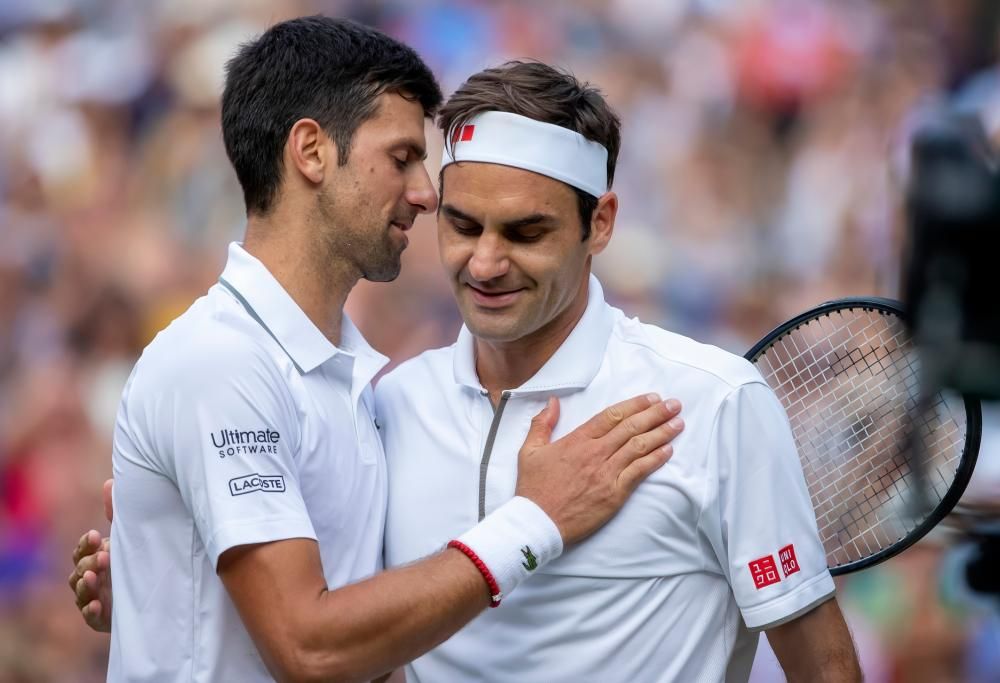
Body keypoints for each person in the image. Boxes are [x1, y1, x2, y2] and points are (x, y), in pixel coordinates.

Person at [71, 57, 860, 681]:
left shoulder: (714, 403)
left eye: (525, 231)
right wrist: (168, 590)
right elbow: (338, 637)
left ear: (602, 224)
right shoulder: (386, 406)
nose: (485, 262)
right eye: (461, 223)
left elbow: (823, 667)